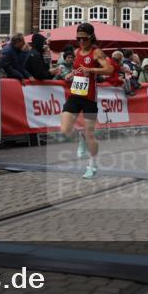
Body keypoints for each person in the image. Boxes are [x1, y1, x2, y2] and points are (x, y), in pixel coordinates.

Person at [59, 23, 113, 179]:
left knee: (90, 134)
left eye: (84, 39)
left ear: (91, 37)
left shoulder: (97, 52)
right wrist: (72, 74)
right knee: (65, 129)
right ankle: (79, 137)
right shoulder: (77, 52)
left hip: (89, 98)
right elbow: (79, 69)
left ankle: (92, 165)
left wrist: (92, 70)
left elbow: (109, 70)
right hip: (75, 95)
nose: (81, 42)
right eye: (78, 39)